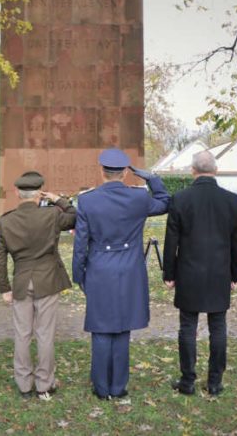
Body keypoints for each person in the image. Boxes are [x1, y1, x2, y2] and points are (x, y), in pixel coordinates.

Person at [72, 149, 170, 400]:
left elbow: (81, 242)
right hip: (129, 269)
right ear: (126, 172)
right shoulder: (138, 198)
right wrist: (151, 178)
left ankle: (101, 388)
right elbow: (165, 201)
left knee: (102, 329)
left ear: (101, 171)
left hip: (99, 269)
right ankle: (118, 387)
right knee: (122, 329)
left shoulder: (87, 200)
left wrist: (78, 274)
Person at [163, 150, 237, 396]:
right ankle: (215, 382)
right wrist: (235, 274)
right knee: (218, 326)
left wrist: (169, 273)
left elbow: (171, 241)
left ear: (193, 170)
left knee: (188, 326)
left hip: (189, 272)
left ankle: (188, 380)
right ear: (216, 170)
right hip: (219, 272)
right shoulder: (231, 200)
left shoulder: (180, 198)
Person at [0, 171, 76, 400]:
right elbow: (74, 215)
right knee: (45, 334)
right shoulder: (51, 214)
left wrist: (4, 288)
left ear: (17, 193)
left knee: (22, 334)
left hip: (21, 280)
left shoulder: (6, 220)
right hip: (47, 279)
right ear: (39, 192)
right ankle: (44, 384)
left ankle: (24, 385)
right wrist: (57, 199)